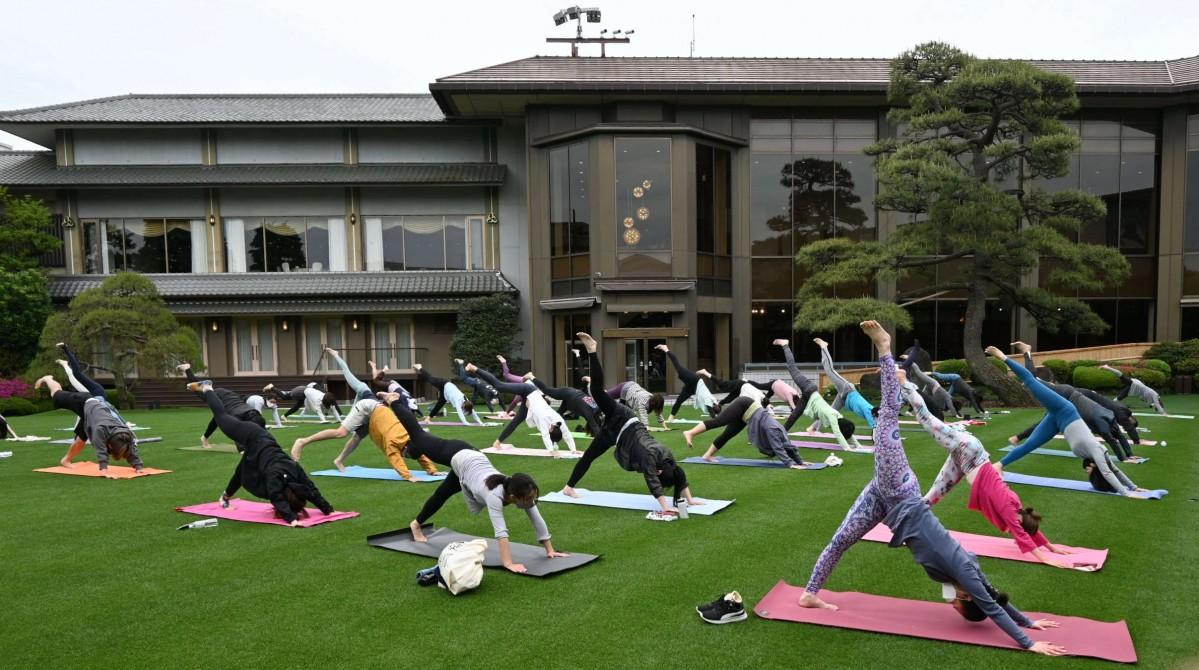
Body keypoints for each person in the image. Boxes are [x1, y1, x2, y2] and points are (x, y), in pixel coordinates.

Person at [798, 321, 1065, 657]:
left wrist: (1028, 621)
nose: (950, 604)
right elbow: (992, 607)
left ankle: (809, 593)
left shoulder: (968, 579)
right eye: (958, 607)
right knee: (888, 419)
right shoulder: (966, 574)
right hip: (900, 490)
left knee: (841, 540)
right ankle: (884, 347)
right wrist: (1029, 642)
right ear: (966, 598)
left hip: (885, 500)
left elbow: (996, 598)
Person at [902, 379, 1076, 568]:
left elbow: (1029, 529)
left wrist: (1051, 547)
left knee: (933, 497)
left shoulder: (1019, 508)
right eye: (1013, 528)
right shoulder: (1011, 511)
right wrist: (1047, 559)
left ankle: (907, 523)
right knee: (926, 419)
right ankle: (905, 383)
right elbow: (1022, 534)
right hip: (967, 450)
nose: (1011, 531)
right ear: (1018, 521)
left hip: (967, 460)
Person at [399, 398, 568, 574]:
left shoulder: (519, 489)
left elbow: (536, 518)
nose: (530, 502)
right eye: (528, 499)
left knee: (441, 494)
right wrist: (508, 563)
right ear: (512, 497)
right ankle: (395, 402)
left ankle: (416, 523)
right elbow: (501, 532)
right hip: (456, 454)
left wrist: (550, 550)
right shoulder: (494, 495)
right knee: (418, 435)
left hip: (470, 463)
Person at [561, 332, 703, 514]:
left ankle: (568, 488)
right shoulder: (651, 457)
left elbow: (679, 475)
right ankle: (592, 350)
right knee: (596, 391)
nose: (655, 475)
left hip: (618, 434)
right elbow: (653, 483)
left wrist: (690, 500)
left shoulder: (668, 459)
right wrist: (666, 508)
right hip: (622, 418)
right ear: (660, 472)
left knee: (589, 455)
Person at [990, 344, 1150, 498]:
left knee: (1029, 445)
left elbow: (1115, 471)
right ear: (1097, 471)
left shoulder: (1098, 457)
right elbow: (1110, 472)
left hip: (1058, 422)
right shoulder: (1098, 452)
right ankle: (1002, 356)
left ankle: (998, 465)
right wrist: (1127, 493)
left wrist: (1134, 487)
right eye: (1090, 474)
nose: (1087, 472)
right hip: (1065, 409)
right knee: (1031, 381)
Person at [189, 380, 335, 526]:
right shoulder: (275, 477)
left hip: (261, 441)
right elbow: (276, 496)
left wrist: (328, 510)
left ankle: (225, 497)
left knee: (243, 470)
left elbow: (311, 490)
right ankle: (208, 387)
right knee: (221, 416)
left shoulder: (295, 470)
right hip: (251, 436)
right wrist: (291, 519)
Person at [35, 343, 143, 477]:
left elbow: (129, 447)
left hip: (94, 409)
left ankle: (66, 460)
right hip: (84, 402)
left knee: (82, 437)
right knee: (56, 395)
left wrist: (138, 466)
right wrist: (104, 470)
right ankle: (48, 379)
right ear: (110, 445)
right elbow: (100, 449)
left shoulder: (124, 434)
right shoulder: (101, 430)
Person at [467, 364, 579, 457]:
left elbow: (567, 434)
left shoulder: (560, 422)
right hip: (528, 391)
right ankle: (474, 368)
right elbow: (545, 436)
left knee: (516, 421)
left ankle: (498, 442)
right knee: (499, 386)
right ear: (551, 429)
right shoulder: (544, 420)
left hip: (531, 401)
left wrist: (573, 450)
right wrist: (552, 452)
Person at [682, 395, 814, 468]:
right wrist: (790, 464)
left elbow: (788, 446)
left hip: (746, 415)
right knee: (719, 421)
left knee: (728, 434)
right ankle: (690, 433)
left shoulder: (781, 432)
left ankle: (707, 455)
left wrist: (800, 461)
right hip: (744, 405)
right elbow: (778, 448)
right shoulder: (773, 430)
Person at [178, 362, 266, 449]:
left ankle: (204, 438)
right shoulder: (239, 417)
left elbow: (262, 432)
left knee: (217, 417)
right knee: (200, 389)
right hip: (220, 397)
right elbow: (236, 433)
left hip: (229, 395)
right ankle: (188, 369)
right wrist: (242, 449)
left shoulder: (256, 416)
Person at [814, 337, 877, 428]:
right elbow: (874, 426)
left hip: (845, 399)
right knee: (829, 370)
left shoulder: (872, 414)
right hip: (847, 389)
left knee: (831, 411)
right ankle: (824, 347)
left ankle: (814, 428)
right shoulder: (869, 412)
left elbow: (875, 424)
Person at [528, 375, 602, 438]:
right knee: (547, 391)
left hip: (572, 398)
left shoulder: (597, 407)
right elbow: (594, 426)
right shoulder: (589, 413)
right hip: (568, 395)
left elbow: (595, 425)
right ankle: (531, 377)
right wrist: (603, 440)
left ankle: (550, 430)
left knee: (557, 415)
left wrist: (587, 380)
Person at [657, 344, 720, 418]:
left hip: (692, 389)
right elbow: (712, 412)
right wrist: (716, 418)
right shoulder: (709, 400)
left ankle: (671, 416)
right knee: (678, 366)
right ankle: (666, 349)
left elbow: (714, 411)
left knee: (679, 400)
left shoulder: (713, 403)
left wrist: (717, 415)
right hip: (695, 381)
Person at [416, 363, 484, 426]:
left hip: (446, 394)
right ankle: (420, 367)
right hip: (443, 384)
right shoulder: (459, 401)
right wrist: (466, 423)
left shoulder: (467, 401)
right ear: (463, 405)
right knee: (430, 379)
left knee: (439, 405)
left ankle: (428, 418)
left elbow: (473, 412)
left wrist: (481, 422)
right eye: (463, 408)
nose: (462, 409)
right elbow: (460, 413)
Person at [773, 339, 819, 430]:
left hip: (808, 391)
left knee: (792, 367)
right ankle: (782, 432)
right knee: (795, 414)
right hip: (808, 390)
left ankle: (785, 345)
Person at [603, 378, 670, 430]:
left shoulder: (653, 399)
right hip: (625, 388)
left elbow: (658, 413)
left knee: (624, 414)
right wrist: (646, 426)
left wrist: (665, 427)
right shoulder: (644, 401)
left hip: (632, 389)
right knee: (605, 396)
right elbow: (643, 414)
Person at [1100, 364, 1167, 415]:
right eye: (1156, 408)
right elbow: (1157, 404)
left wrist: (1152, 405)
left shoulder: (1150, 400)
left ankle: (1108, 408)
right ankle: (1107, 367)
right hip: (1136, 384)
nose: (1155, 406)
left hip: (1133, 390)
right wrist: (1163, 412)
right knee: (1121, 376)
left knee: (1118, 399)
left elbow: (1146, 400)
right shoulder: (1155, 395)